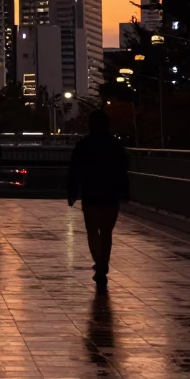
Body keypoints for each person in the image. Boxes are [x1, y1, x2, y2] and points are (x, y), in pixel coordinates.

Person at [67, 109, 130, 290]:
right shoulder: (115, 145)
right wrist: (125, 192)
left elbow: (74, 171)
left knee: (92, 230)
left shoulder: (83, 145)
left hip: (91, 192)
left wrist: (72, 192)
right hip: (111, 193)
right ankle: (104, 263)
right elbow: (123, 171)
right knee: (107, 231)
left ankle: (99, 263)